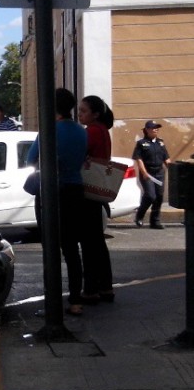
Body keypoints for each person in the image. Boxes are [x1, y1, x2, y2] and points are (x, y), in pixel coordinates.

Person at [27, 88, 88, 315]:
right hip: (75, 190)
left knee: (50, 248)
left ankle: (52, 301)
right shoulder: (81, 131)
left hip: (52, 192)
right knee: (72, 248)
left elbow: (31, 158)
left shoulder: (49, 130)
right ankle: (75, 300)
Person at [77, 95, 115, 304]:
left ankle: (90, 289)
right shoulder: (103, 131)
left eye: (83, 111)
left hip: (88, 192)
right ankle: (105, 287)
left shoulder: (92, 131)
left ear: (95, 114)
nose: (80, 114)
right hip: (98, 191)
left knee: (90, 243)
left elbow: (80, 153)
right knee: (97, 243)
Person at [132, 120, 172, 229]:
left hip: (159, 172)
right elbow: (138, 159)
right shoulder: (141, 143)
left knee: (159, 197)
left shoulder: (160, 143)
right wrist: (144, 172)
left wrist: (172, 169)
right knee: (150, 195)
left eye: (157, 127)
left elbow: (166, 158)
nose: (156, 129)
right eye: (153, 127)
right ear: (147, 130)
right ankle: (139, 216)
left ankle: (155, 222)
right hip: (148, 173)